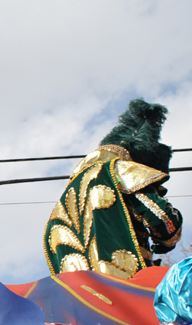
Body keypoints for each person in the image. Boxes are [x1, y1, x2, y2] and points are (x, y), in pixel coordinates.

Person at [44, 99, 182, 279]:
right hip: (126, 282)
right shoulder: (122, 171)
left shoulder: (64, 199)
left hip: (82, 295)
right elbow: (164, 221)